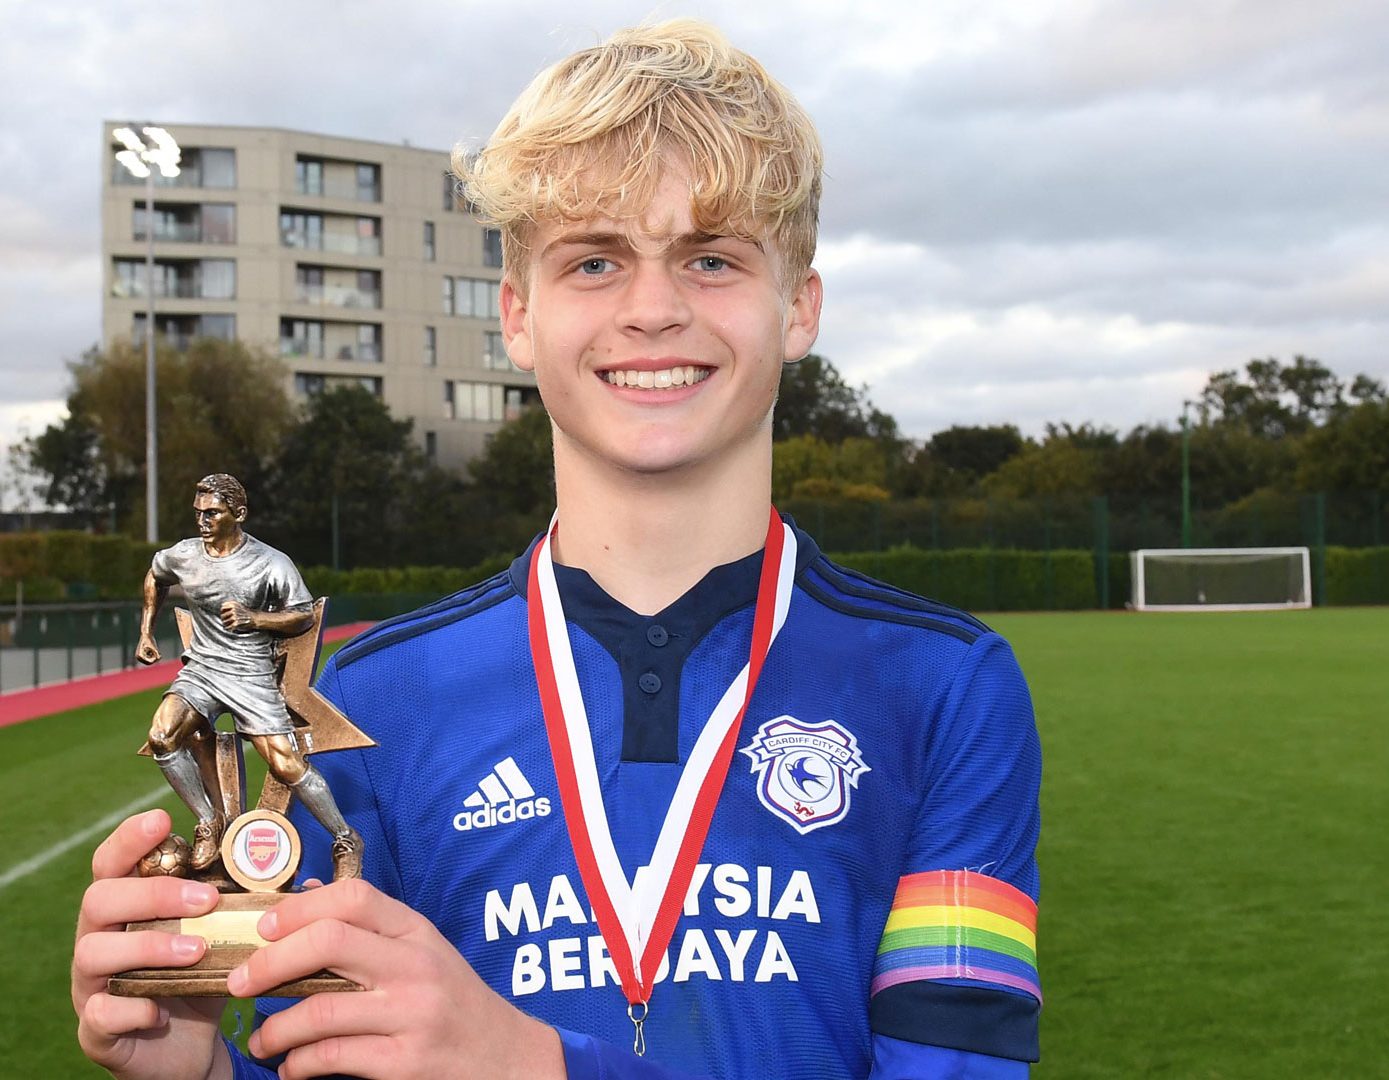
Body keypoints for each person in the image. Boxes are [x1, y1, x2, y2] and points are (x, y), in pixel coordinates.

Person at [74, 20, 1040, 1080]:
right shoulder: (379, 697)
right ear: (518, 317)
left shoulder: (943, 686)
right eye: (595, 261)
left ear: (798, 305)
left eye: (712, 257)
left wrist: (533, 1064)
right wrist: (202, 1068)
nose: (654, 309)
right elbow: (318, 1056)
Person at [134, 473, 359, 876]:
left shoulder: (270, 563)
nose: (202, 520)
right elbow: (155, 575)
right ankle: (208, 821)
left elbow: (303, 614)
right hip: (202, 669)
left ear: (238, 514)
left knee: (286, 763)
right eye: (198, 512)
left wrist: (255, 618)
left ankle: (345, 839)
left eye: (213, 513)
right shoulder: (184, 554)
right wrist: (146, 630)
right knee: (161, 735)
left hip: (250, 673)